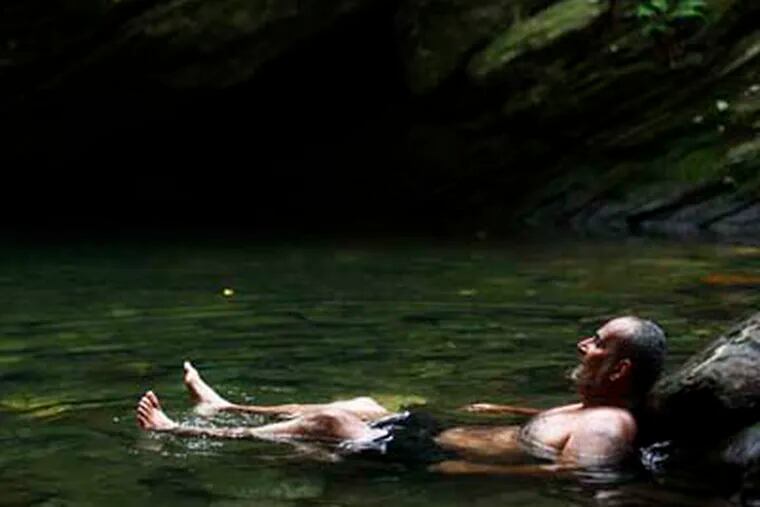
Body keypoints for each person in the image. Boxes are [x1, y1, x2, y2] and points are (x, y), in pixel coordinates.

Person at [136, 315, 666, 474]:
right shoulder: (595, 409)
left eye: (597, 342)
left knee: (332, 423)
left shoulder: (608, 424)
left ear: (620, 368)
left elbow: (576, 476)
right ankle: (225, 407)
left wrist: (462, 470)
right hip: (437, 434)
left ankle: (184, 431)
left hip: (436, 455)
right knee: (364, 405)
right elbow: (558, 430)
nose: (583, 345)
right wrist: (509, 412)